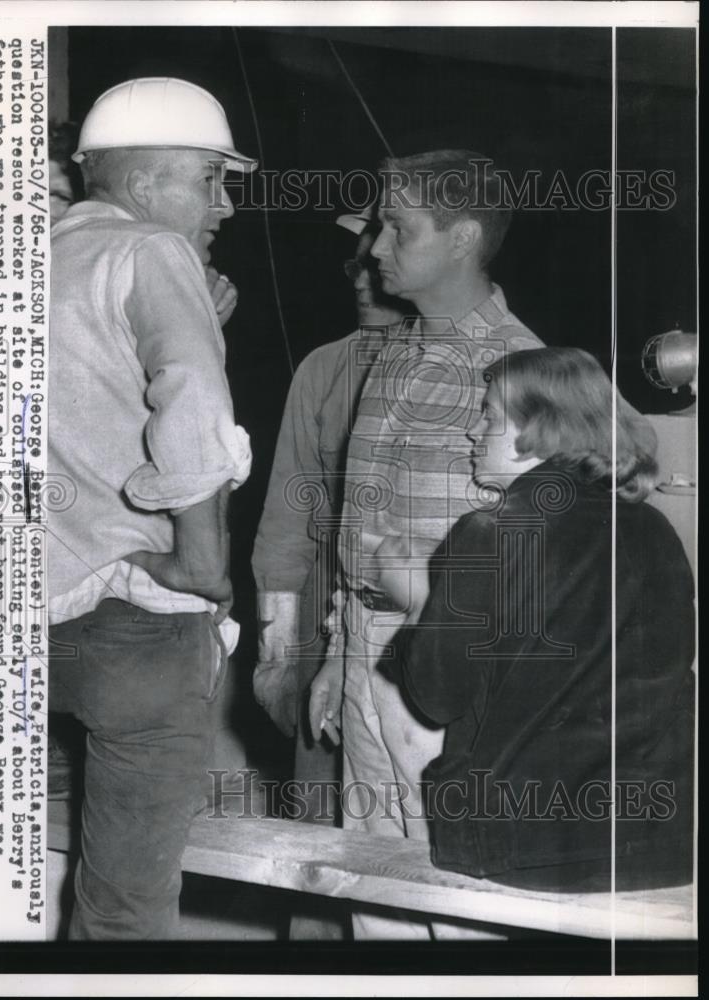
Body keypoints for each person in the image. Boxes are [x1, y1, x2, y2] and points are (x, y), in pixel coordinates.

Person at [309, 149, 543, 938]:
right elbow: (357, 531)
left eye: (397, 227)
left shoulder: (523, 370)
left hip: (453, 665)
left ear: (462, 237)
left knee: (462, 892)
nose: (375, 247)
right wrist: (341, 650)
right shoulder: (393, 357)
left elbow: (548, 559)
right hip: (366, 653)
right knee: (372, 887)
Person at [47, 77, 256, 939]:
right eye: (211, 180)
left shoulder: (24, 259)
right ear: (141, 185)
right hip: (135, 620)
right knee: (124, 909)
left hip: (14, 618)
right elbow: (193, 408)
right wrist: (200, 567)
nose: (227, 206)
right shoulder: (151, 253)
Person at [398, 347, 695, 893]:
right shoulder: (654, 529)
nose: (473, 432)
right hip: (652, 836)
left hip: (520, 838)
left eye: (488, 415)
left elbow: (437, 698)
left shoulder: (489, 533)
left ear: (538, 427)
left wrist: (417, 601)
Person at [251, 208, 406, 938]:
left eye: (378, 263)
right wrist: (278, 655)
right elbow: (285, 523)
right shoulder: (323, 367)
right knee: (318, 827)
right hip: (323, 612)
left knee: (409, 835)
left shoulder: (476, 358)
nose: (363, 280)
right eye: (354, 266)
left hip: (416, 617)